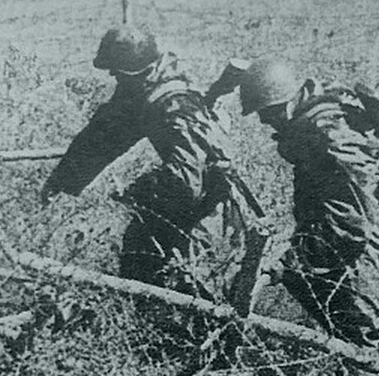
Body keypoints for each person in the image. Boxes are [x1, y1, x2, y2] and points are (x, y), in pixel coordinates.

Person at [41, 26, 259, 316]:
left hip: (209, 209)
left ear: (135, 71)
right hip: (193, 197)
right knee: (141, 258)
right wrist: (63, 180)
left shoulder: (172, 104)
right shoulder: (143, 92)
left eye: (117, 71)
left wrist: (139, 191)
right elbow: (102, 137)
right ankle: (149, 326)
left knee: (193, 287)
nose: (112, 76)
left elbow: (188, 182)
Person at [207, 59, 379, 355]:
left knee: (353, 315)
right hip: (368, 220)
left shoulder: (323, 134)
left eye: (267, 112)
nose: (265, 122)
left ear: (285, 103)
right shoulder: (314, 119)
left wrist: (288, 262)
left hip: (373, 232)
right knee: (315, 289)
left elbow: (350, 225)